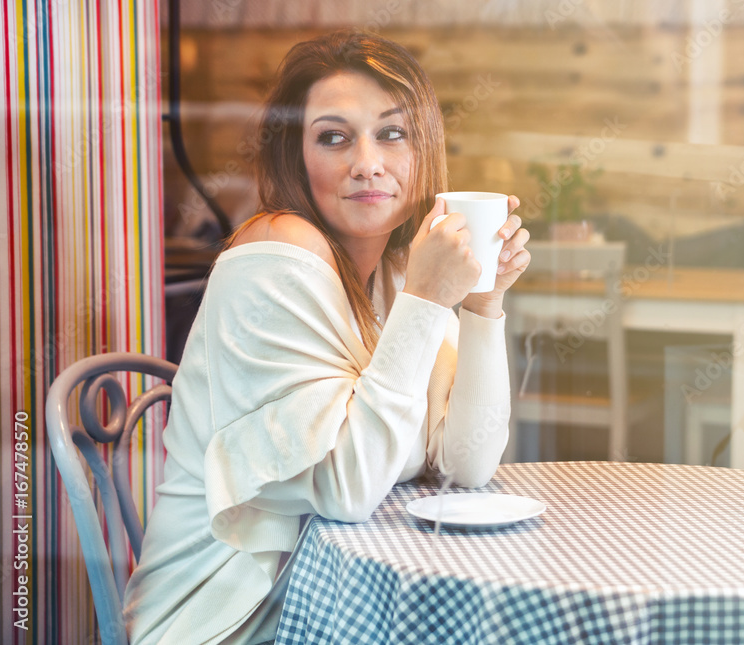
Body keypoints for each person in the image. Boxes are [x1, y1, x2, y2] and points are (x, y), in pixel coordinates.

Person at [124, 29, 529, 644]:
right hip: (237, 624)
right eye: (333, 137)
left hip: (350, 609)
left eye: (392, 134)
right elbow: (346, 488)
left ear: (424, 153)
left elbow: (465, 464)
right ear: (296, 159)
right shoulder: (275, 254)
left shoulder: (402, 273)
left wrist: (481, 305)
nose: (367, 162)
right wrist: (426, 301)